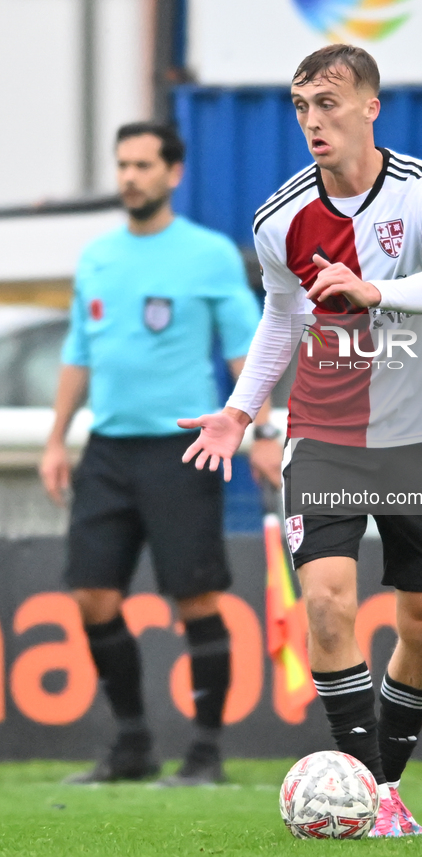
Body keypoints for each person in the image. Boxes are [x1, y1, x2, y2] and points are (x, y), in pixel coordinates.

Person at [180, 45, 422, 835]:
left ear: (370, 108)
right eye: (301, 105)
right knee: (326, 600)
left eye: (329, 103)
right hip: (325, 432)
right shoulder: (279, 216)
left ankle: (385, 780)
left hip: (419, 438)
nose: (313, 119)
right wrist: (241, 411)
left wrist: (370, 288)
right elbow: (280, 319)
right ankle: (373, 792)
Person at [40, 121, 281, 786]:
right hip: (108, 450)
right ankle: (132, 745)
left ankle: (205, 752)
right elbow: (77, 353)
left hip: (183, 450)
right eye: (122, 165)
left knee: (194, 599)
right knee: (90, 595)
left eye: (144, 165)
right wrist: (58, 439)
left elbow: (246, 353)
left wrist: (259, 432)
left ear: (173, 174)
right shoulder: (97, 256)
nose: (130, 177)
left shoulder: (206, 256)